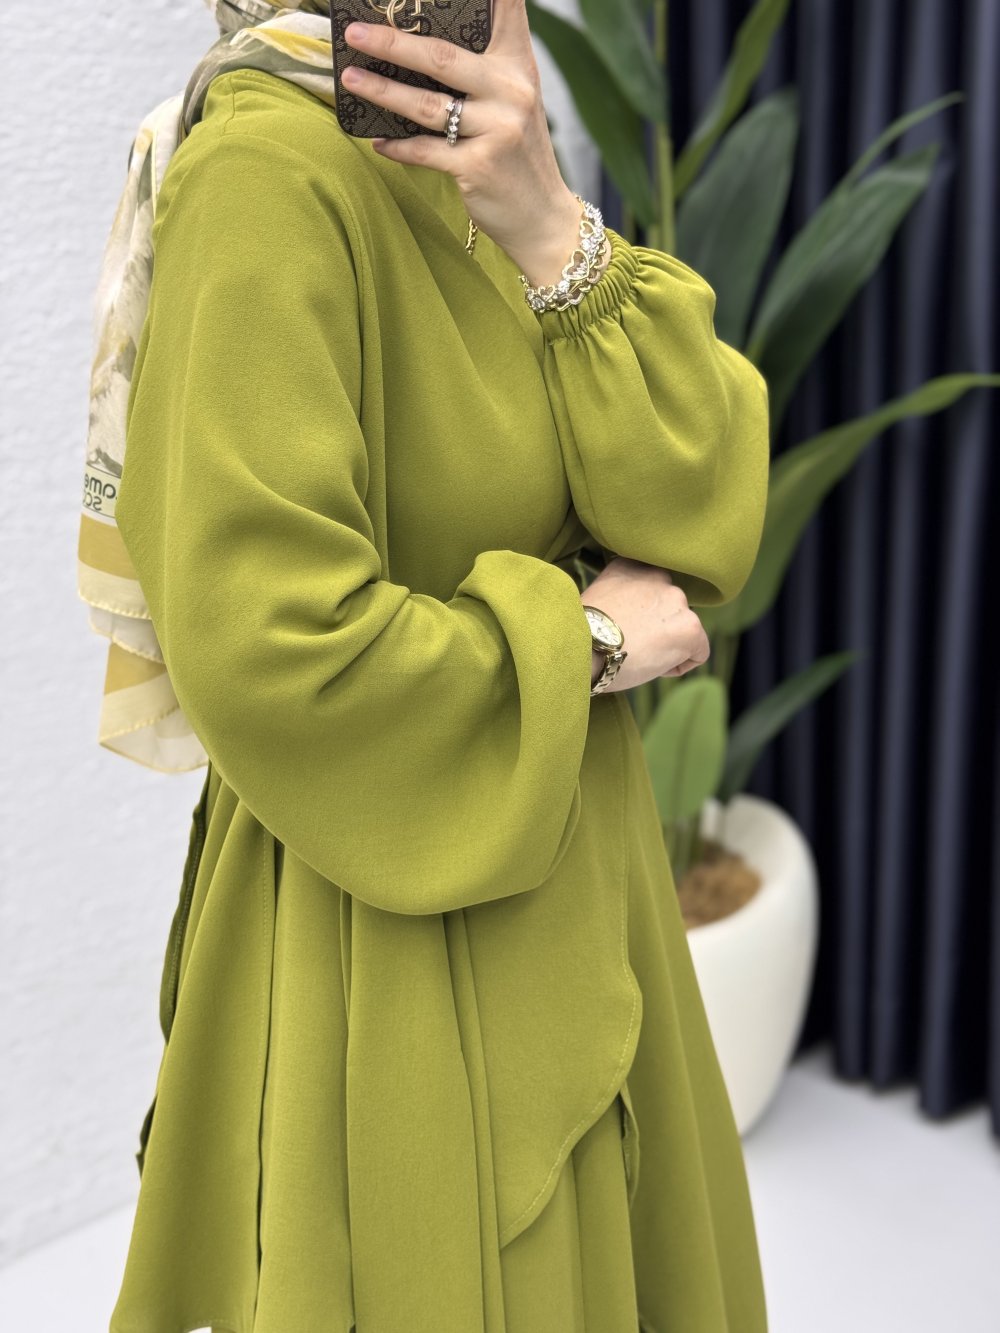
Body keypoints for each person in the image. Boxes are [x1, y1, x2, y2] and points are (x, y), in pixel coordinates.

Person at [81, 1, 771, 1329]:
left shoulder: (484, 149)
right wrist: (590, 641)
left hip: (581, 865)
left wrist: (550, 225)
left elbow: (705, 510)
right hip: (384, 932)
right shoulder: (268, 174)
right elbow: (275, 654)